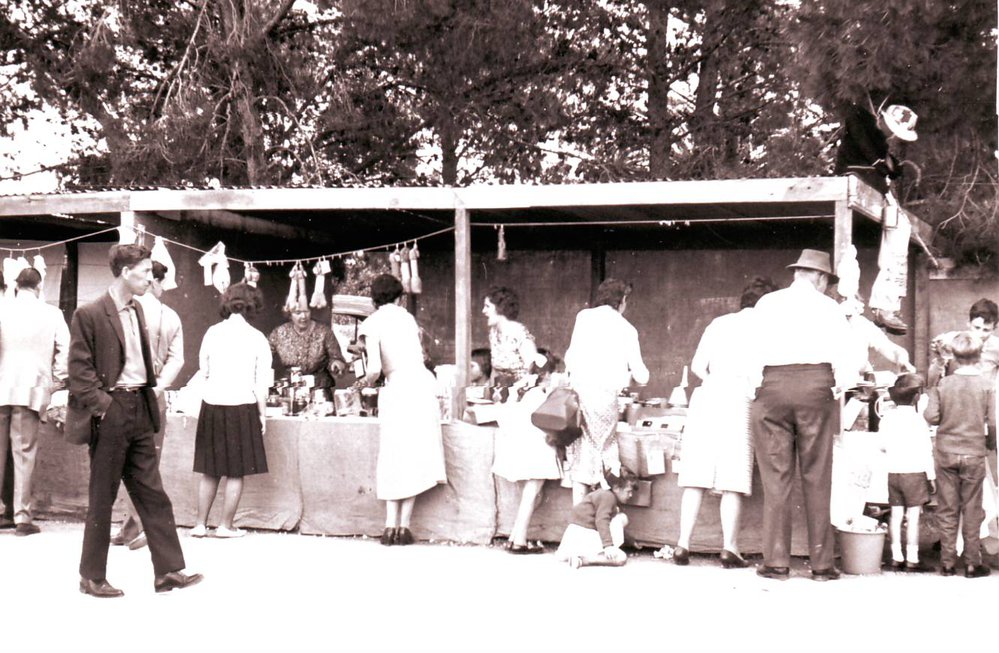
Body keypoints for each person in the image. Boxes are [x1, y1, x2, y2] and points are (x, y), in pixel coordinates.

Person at [68, 244, 201, 598]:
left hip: (141, 406)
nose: (149, 279)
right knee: (103, 496)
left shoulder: (139, 309)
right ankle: (91, 576)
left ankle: (169, 571)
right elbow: (79, 373)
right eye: (144, 273)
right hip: (112, 410)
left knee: (153, 493)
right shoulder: (90, 314)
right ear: (126, 272)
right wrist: (106, 407)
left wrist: (146, 398)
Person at [747, 249, 856, 581]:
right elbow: (846, 359)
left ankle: (777, 562)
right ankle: (822, 565)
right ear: (821, 278)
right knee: (817, 475)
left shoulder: (767, 304)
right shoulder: (830, 308)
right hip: (815, 386)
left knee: (776, 478)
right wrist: (839, 387)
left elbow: (750, 353)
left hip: (773, 386)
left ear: (797, 274)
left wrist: (758, 388)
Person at [670, 276, 777, 568]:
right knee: (733, 478)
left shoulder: (718, 323)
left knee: (696, 474)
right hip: (740, 400)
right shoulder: (768, 328)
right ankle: (730, 548)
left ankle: (682, 545)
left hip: (707, 397)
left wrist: (716, 381)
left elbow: (696, 367)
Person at [360, 274, 446, 546]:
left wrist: (360, 383)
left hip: (397, 388)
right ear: (399, 297)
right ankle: (404, 527)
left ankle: (389, 525)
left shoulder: (372, 322)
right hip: (421, 386)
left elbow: (374, 369)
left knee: (393, 454)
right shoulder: (407, 318)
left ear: (374, 299)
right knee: (415, 454)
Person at [112, 260, 184, 550]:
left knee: (124, 464)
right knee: (147, 463)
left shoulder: (121, 310)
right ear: (154, 282)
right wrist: (159, 386)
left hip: (123, 394)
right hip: (154, 399)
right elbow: (177, 359)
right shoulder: (169, 315)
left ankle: (132, 524)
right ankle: (137, 525)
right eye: (161, 282)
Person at [192, 282, 272, 539]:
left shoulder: (212, 333)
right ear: (253, 306)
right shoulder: (257, 338)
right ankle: (226, 526)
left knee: (210, 469)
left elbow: (203, 372)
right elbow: (261, 383)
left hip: (212, 404)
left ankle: (200, 525)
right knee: (235, 470)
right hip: (242, 406)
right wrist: (262, 414)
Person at [834, 101, 918, 335]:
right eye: (892, 128)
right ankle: (869, 302)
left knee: (901, 229)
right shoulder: (860, 119)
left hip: (874, 189)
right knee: (892, 231)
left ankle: (886, 304)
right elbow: (874, 156)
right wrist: (883, 163)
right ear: (882, 117)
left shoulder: (880, 138)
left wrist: (889, 164)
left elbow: (891, 168)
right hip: (856, 183)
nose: (892, 135)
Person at [564, 279, 649, 504]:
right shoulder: (627, 329)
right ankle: (606, 514)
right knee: (606, 453)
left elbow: (570, 358)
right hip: (604, 400)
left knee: (583, 455)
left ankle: (580, 517)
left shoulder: (583, 317)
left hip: (579, 397)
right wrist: (627, 376)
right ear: (621, 300)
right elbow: (642, 375)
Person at [0, 267, 69, 536]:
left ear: (16, 286)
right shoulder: (52, 313)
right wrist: (56, 381)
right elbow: (65, 349)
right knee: (24, 453)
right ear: (39, 287)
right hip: (32, 389)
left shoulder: (2, 309)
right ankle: (22, 517)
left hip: (1, 385)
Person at [924, 332, 997, 578]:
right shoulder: (986, 385)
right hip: (974, 452)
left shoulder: (944, 384)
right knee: (973, 508)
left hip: (946, 451)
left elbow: (930, 417)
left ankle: (946, 562)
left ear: (954, 355)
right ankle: (972, 563)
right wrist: (989, 443)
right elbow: (993, 422)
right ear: (979, 356)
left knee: (947, 507)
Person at [491, 348, 564, 554]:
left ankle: (515, 536)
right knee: (532, 494)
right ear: (547, 375)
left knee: (531, 494)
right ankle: (519, 540)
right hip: (537, 450)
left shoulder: (522, 393)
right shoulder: (541, 396)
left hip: (522, 448)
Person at [880, 373, 935, 571]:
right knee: (913, 517)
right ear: (917, 397)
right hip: (915, 473)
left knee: (895, 515)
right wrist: (931, 476)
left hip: (894, 473)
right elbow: (926, 451)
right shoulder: (919, 422)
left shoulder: (886, 419)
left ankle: (896, 556)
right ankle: (912, 558)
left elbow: (882, 446)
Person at [556, 467, 637, 568]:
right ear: (616, 488)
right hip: (584, 535)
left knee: (620, 517)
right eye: (628, 491)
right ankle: (583, 559)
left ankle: (576, 555)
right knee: (620, 557)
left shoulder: (605, 495)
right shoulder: (608, 497)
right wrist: (608, 546)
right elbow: (602, 520)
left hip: (576, 535)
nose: (631, 495)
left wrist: (630, 540)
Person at [268, 303, 347, 398]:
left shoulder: (324, 332)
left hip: (319, 390)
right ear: (289, 314)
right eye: (298, 312)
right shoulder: (279, 333)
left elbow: (335, 357)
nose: (303, 316)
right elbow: (264, 354)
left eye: (306, 311)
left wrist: (336, 364)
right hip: (290, 390)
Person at [928, 298, 999, 387]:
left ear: (994, 329)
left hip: (984, 396)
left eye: (986, 330)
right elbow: (931, 384)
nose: (980, 334)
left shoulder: (997, 347)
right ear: (968, 323)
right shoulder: (952, 340)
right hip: (954, 395)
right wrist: (939, 359)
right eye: (976, 328)